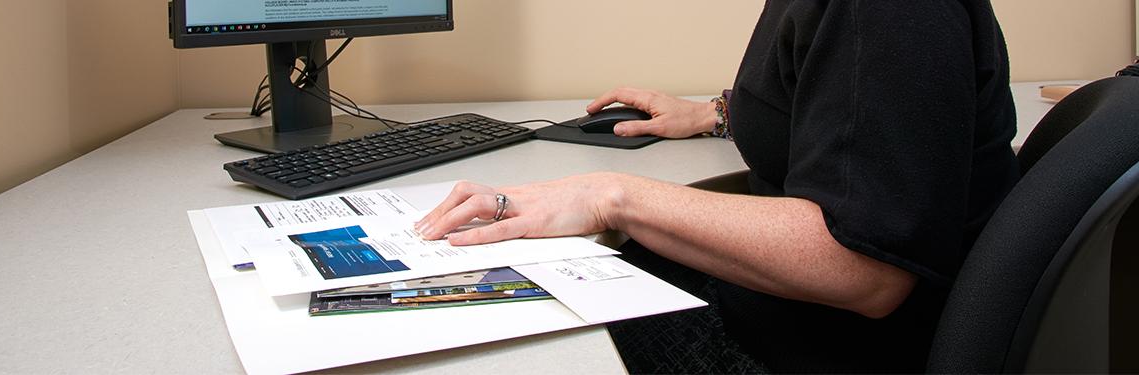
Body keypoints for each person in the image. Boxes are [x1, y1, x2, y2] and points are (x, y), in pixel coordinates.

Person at [415, 0, 1020, 372]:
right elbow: (841, 101)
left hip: (824, 348)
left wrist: (610, 196)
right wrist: (719, 113)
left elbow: (862, 268)